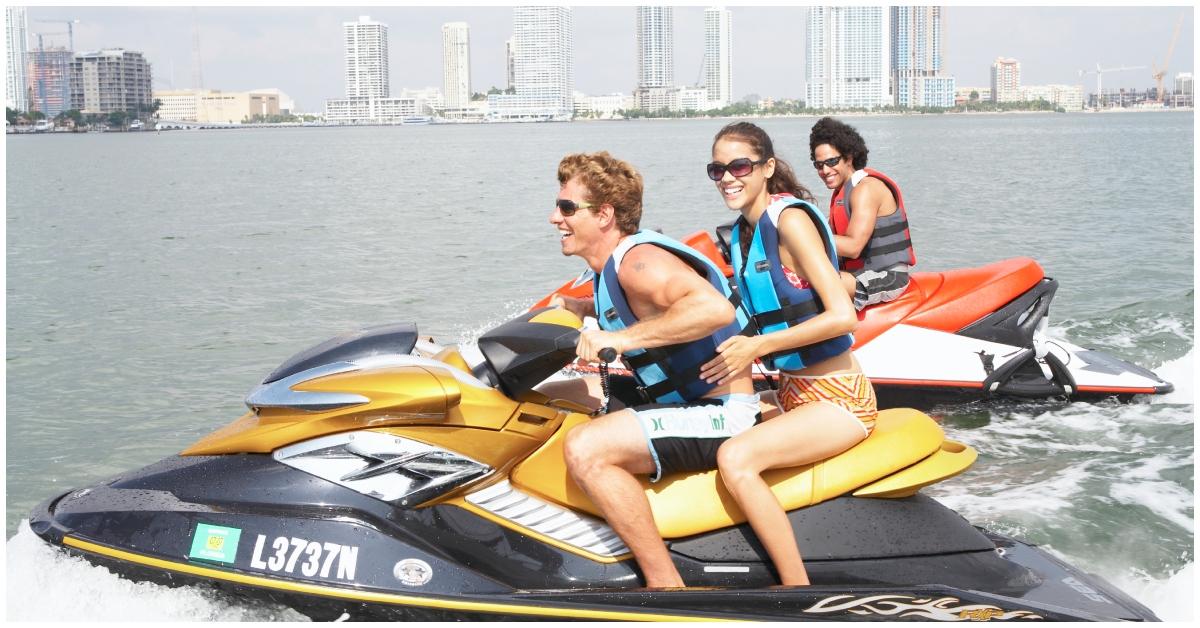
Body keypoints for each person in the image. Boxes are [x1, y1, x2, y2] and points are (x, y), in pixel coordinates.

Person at [548, 151, 761, 588]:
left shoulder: (638, 261)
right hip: (690, 404)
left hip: (724, 412)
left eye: (568, 208)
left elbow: (712, 308)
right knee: (561, 395)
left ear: (604, 214)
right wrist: (580, 308)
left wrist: (620, 340)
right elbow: (639, 308)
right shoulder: (614, 269)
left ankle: (664, 585)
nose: (556, 217)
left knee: (586, 448)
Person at [700, 122, 878, 586]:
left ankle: (795, 590)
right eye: (717, 169)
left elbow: (843, 316)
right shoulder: (745, 233)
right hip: (793, 395)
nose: (727, 178)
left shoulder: (789, 220)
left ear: (767, 168)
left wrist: (759, 345)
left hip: (840, 401)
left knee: (735, 459)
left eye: (739, 166)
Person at [808, 116, 916, 310]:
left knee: (814, 283)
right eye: (819, 164)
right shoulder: (843, 192)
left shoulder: (865, 189)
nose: (825, 170)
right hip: (860, 275)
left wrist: (802, 239)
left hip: (887, 278)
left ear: (849, 157)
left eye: (832, 161)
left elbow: (852, 247)